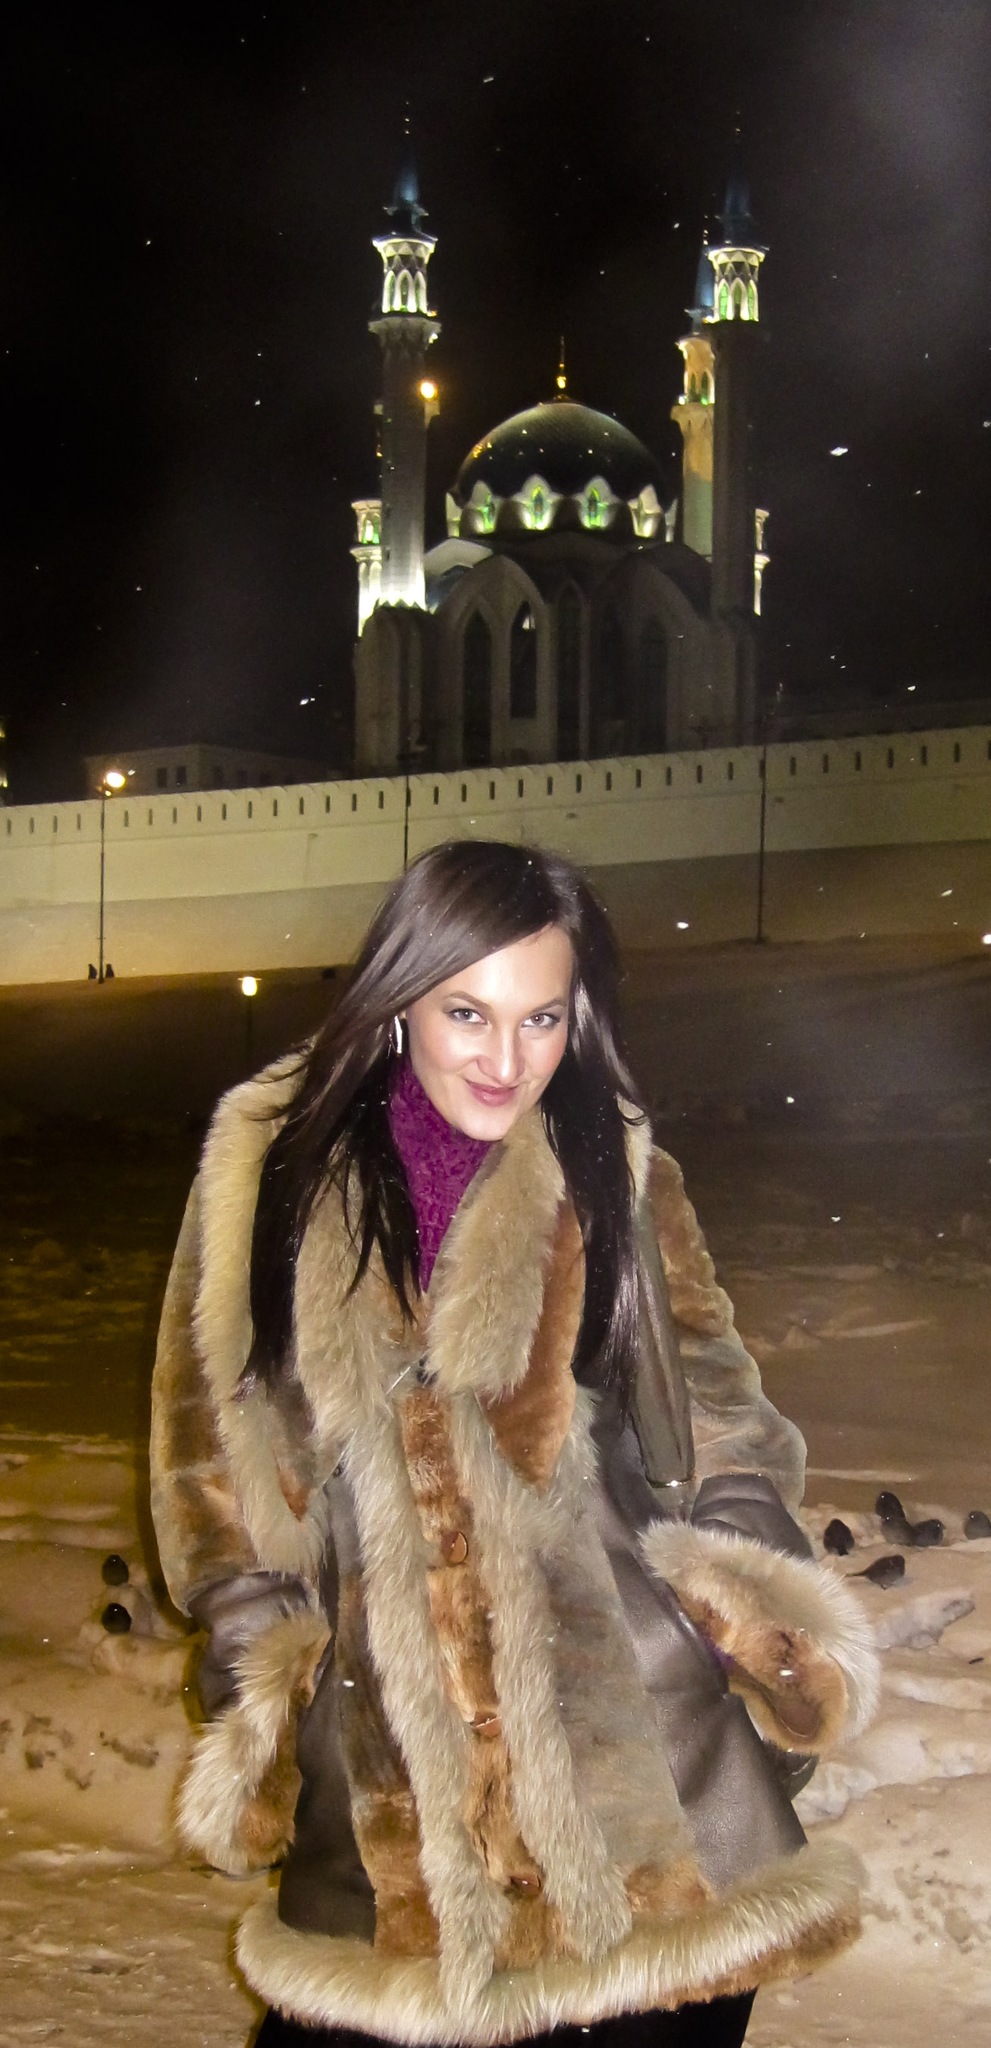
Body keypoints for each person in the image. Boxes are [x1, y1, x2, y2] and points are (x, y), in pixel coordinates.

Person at [151, 840, 877, 2048]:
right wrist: (263, 1663)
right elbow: (207, 1456)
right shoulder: (271, 1178)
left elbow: (718, 1409)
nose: (505, 1058)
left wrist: (742, 1589)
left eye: (541, 1015)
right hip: (393, 1798)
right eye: (467, 1012)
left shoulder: (615, 1169)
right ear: (399, 1000)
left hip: (644, 1786)